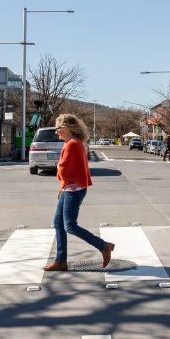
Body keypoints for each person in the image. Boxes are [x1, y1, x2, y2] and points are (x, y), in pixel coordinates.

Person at [43, 113, 113, 272]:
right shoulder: (76, 143)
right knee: (59, 223)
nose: (56, 132)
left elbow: (64, 169)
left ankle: (103, 246)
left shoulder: (72, 144)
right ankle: (61, 261)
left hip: (72, 190)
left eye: (58, 128)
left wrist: (62, 182)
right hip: (72, 189)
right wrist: (63, 186)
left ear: (66, 128)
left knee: (70, 226)